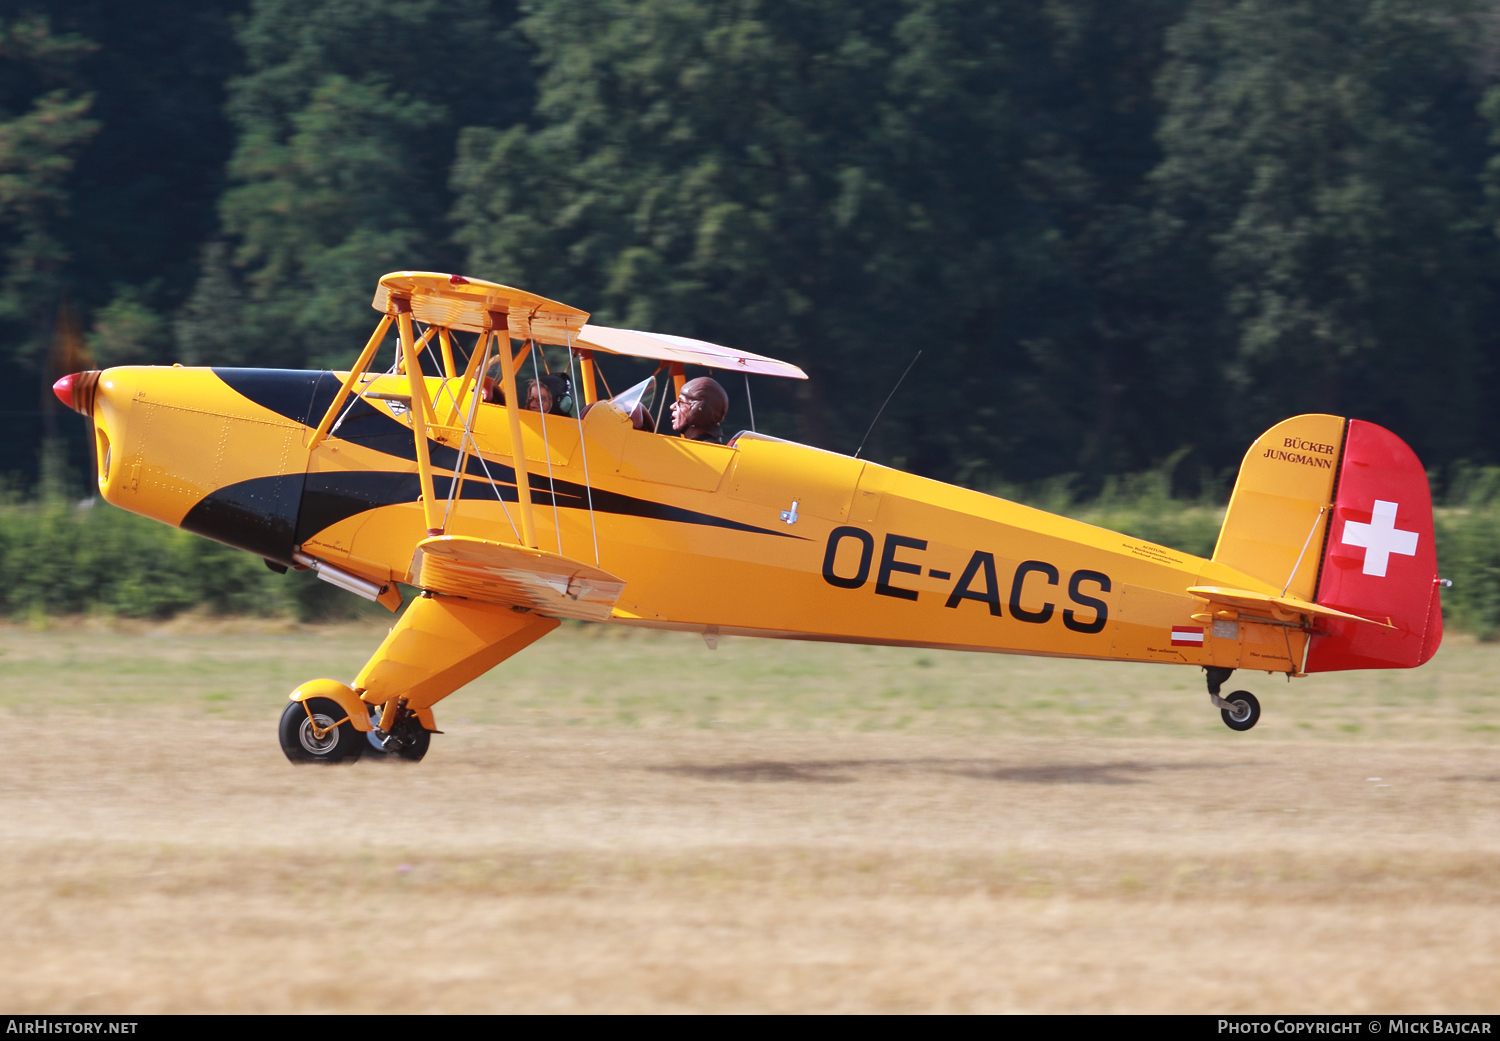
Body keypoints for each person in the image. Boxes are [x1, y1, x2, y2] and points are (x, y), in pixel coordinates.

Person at [669, 376, 728, 443]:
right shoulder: (697, 447)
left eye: (681, 402)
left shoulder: (706, 450)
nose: (672, 406)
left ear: (698, 410)